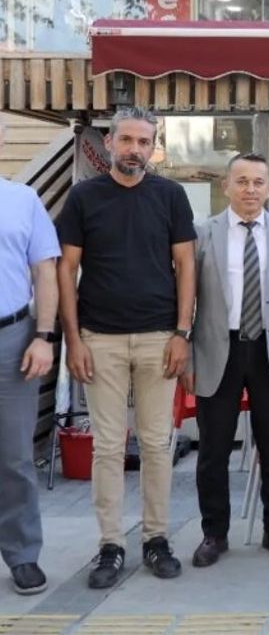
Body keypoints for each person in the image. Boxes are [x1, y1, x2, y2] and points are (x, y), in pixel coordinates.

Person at [56, 106, 196, 587]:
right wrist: (73, 339)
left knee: (157, 444)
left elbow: (186, 264)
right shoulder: (83, 197)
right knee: (108, 446)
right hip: (100, 338)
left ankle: (156, 538)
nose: (135, 149)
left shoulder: (170, 195)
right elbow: (66, 269)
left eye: (144, 142)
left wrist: (182, 333)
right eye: (127, 140)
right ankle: (110, 545)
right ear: (111, 142)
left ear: (153, 147)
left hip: (159, 337)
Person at [183, 154, 269, 566]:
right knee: (213, 449)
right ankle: (214, 534)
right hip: (217, 350)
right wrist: (187, 357)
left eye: (258, 182)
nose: (250, 189)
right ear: (226, 186)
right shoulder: (203, 233)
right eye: (242, 181)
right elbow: (187, 299)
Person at [0, 125, 60, 595]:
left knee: (15, 455)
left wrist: (43, 336)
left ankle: (22, 556)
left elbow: (45, 271)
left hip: (13, 339)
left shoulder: (23, 199)